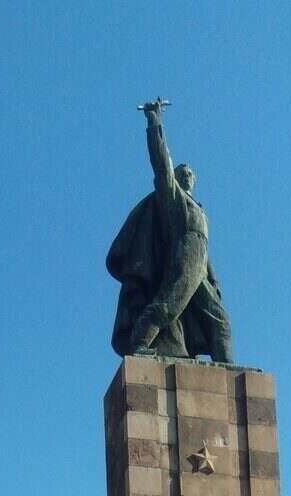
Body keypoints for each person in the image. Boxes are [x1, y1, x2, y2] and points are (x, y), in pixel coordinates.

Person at [107, 100, 234, 363]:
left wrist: (213, 279)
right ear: (175, 178)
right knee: (169, 305)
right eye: (181, 172)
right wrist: (155, 122)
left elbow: (204, 251)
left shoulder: (199, 210)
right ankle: (140, 342)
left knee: (219, 318)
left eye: (190, 173)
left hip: (199, 265)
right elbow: (161, 162)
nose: (186, 174)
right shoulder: (174, 199)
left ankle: (227, 364)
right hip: (182, 258)